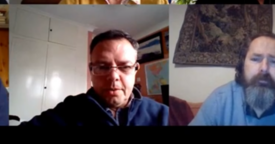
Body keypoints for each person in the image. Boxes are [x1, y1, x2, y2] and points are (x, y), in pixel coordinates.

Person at [19, 29, 169, 126]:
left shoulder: (164, 114)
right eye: (102, 67)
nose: (113, 76)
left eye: (124, 66)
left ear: (135, 70)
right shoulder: (69, 110)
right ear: (91, 71)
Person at [190, 32, 275, 126]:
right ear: (242, 64)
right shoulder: (220, 100)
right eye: (256, 59)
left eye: (274, 61)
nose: (264, 68)